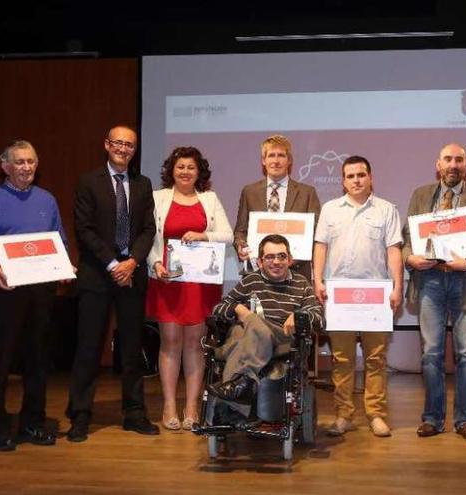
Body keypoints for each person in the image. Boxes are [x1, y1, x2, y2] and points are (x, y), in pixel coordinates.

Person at [0, 140, 68, 451]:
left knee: (37, 359)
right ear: (5, 166)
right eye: (20, 162)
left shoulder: (47, 200)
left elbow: (59, 240)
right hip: (3, 291)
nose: (26, 167)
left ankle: (32, 424)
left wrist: (62, 265)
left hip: (40, 292)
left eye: (31, 162)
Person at [403, 143, 466, 440]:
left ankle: (464, 420)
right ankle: (432, 418)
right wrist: (410, 258)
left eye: (459, 160)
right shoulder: (421, 195)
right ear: (438, 165)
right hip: (430, 280)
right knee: (430, 354)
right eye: (448, 159)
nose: (453, 165)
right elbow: (408, 238)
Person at [66, 125, 158, 442]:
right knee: (89, 347)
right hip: (97, 275)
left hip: (132, 275)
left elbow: (149, 230)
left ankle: (134, 413)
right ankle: (80, 414)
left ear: (135, 150)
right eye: (118, 143)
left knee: (132, 348)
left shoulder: (143, 185)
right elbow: (84, 229)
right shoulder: (88, 182)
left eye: (129, 145)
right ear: (106, 145)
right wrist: (113, 263)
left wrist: (132, 261)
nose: (123, 148)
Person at [313, 155, 403, 438]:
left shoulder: (387, 210)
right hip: (340, 296)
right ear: (343, 180)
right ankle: (344, 415)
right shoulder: (330, 210)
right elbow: (320, 248)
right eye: (350, 176)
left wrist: (398, 286)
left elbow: (393, 251)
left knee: (376, 358)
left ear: (371, 177)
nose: (356, 180)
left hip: (376, 295)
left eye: (361, 175)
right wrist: (317, 280)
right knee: (342, 359)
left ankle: (376, 414)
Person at [145, 146, 233, 430]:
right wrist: (156, 263)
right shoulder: (158, 198)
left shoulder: (209, 199)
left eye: (191, 167)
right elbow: (147, 237)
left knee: (195, 344)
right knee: (170, 342)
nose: (185, 172)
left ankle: (192, 405)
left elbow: (228, 235)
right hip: (167, 279)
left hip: (199, 282)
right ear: (172, 170)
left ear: (199, 172)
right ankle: (169, 404)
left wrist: (204, 234)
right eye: (180, 166)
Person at [207, 234, 324, 411]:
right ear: (260, 262)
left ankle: (233, 403)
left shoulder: (302, 284)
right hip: (251, 338)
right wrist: (238, 308)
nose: (276, 262)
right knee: (242, 330)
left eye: (281, 256)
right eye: (269, 257)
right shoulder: (251, 281)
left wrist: (301, 316)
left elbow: (320, 319)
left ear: (290, 260)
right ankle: (242, 385)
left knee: (248, 326)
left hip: (282, 338)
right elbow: (218, 308)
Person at [233, 135, 321, 281]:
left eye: (281, 155)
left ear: (289, 160)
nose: (275, 160)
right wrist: (241, 246)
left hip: (296, 274)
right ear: (263, 160)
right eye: (271, 155)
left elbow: (316, 233)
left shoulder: (307, 193)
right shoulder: (249, 192)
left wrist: (290, 258)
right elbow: (240, 231)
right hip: (258, 275)